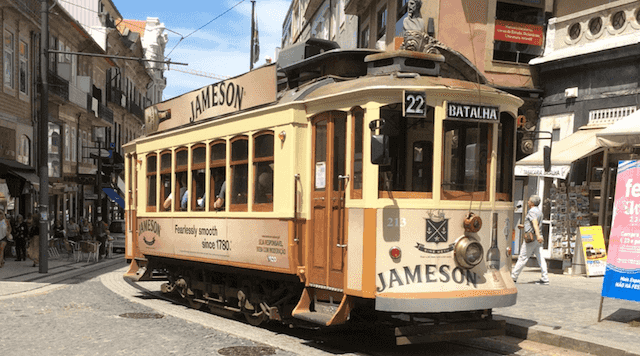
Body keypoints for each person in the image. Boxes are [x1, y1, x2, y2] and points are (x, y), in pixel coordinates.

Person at [511, 195, 550, 285]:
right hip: (538, 239)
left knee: (522, 257)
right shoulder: (539, 212)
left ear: (532, 203)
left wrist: (537, 235)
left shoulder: (532, 211)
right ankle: (545, 278)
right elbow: (534, 224)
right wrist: (525, 226)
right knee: (540, 258)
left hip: (531, 239)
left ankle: (513, 277)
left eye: (529, 200)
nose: (528, 202)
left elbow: (535, 223)